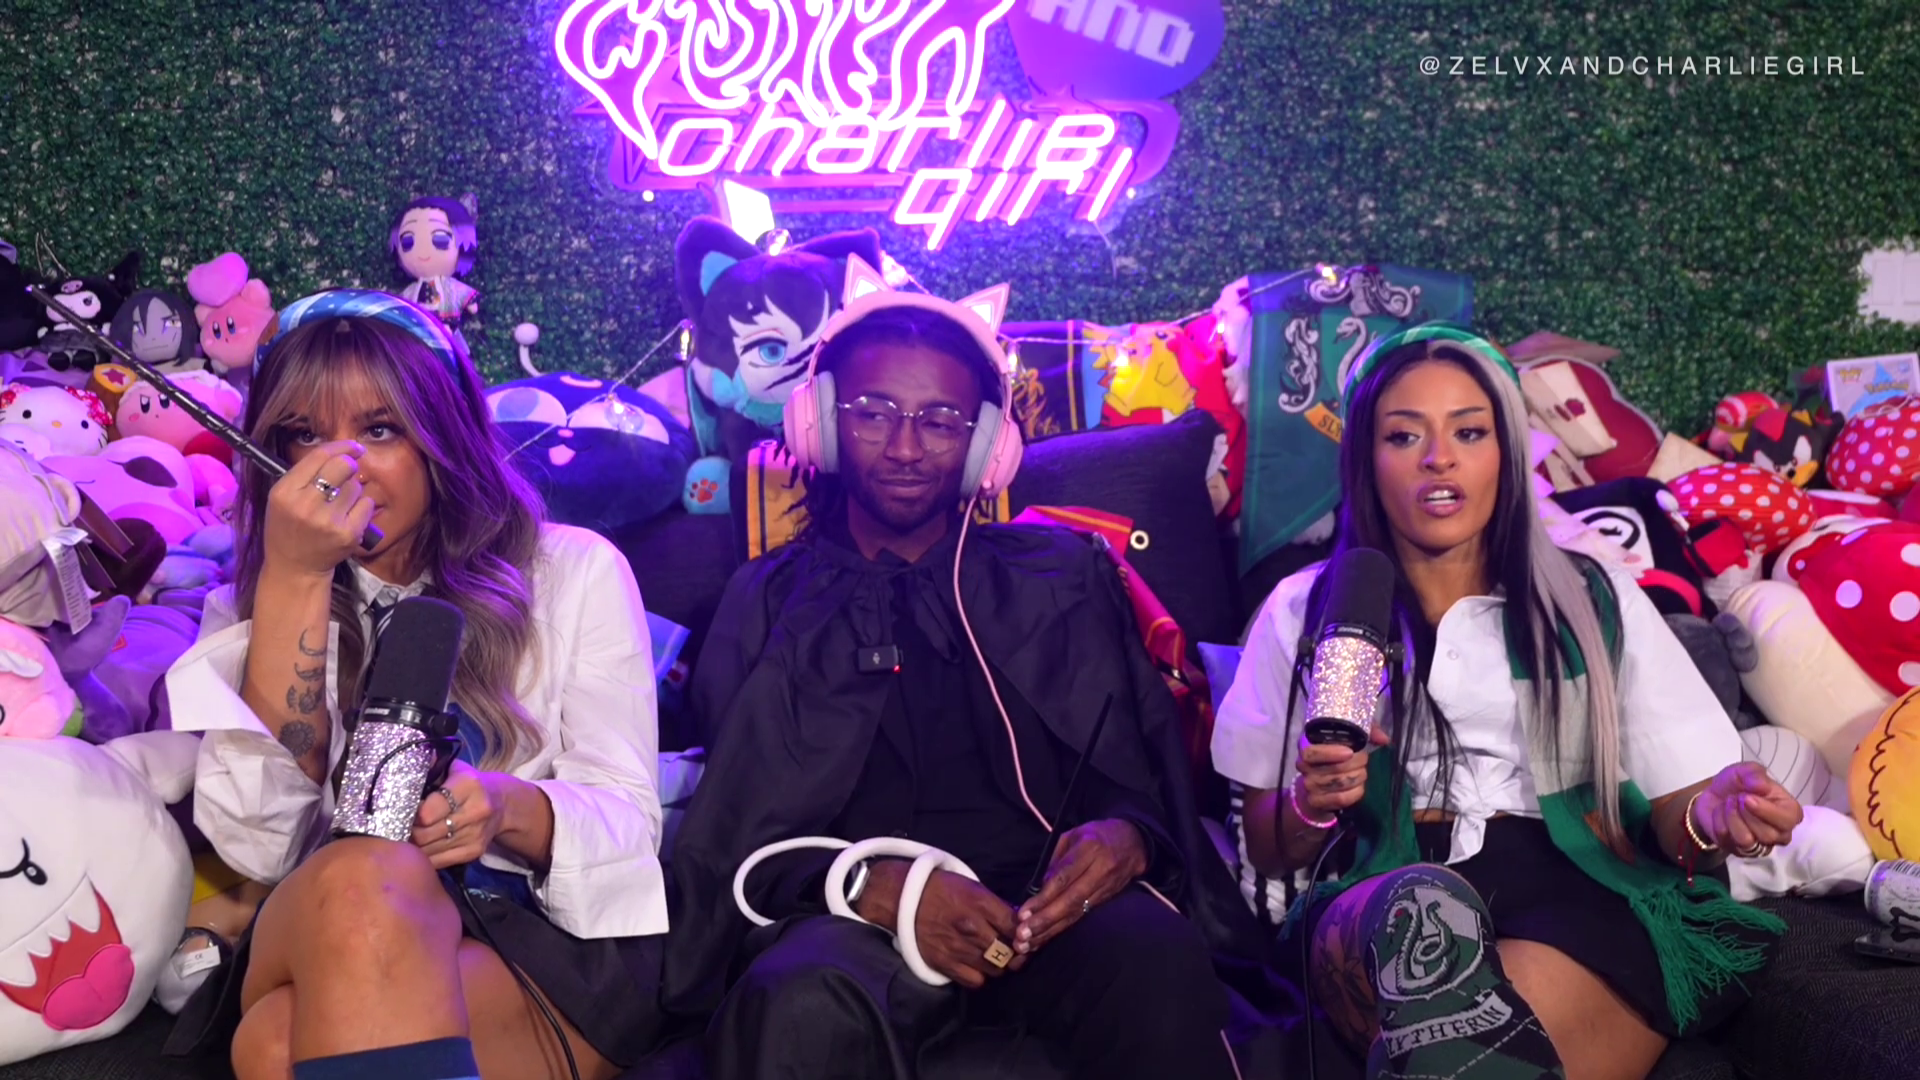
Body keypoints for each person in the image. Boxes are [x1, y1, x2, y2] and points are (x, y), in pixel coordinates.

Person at [662, 280, 1290, 1080]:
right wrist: (870, 887)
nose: (905, 448)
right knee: (798, 1000)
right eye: (873, 413)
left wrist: (1129, 838)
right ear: (819, 422)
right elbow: (735, 837)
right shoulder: (765, 601)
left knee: (1156, 961)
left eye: (939, 421)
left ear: (989, 442)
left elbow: (1141, 777)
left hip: (1052, 916)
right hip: (851, 927)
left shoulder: (1063, 577)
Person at [1212, 324, 1802, 1080]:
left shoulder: (1590, 598)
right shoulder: (1303, 611)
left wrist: (1712, 816)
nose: (1439, 457)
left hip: (1573, 884)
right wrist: (1310, 803)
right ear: (1365, 459)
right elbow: (1268, 848)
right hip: (1383, 890)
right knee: (1420, 908)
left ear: (1507, 454)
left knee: (1468, 1043)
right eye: (1404, 435)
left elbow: (1680, 815)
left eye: (1469, 431)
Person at [164, 291, 667, 1080]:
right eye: (304, 435)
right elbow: (258, 846)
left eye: (379, 430)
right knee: (365, 882)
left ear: (442, 437)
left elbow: (630, 825)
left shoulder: (572, 570)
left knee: (274, 1046)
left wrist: (504, 807)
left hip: (535, 941)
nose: (342, 469)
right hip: (325, 915)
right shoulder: (253, 603)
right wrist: (296, 578)